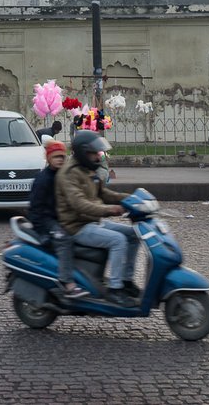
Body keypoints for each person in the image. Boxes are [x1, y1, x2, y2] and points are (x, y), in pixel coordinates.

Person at [56, 130, 139, 306]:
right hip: (77, 226)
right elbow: (79, 204)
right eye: (94, 153)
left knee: (134, 234)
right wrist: (111, 210)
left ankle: (126, 281)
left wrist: (130, 198)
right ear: (83, 152)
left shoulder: (88, 170)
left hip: (92, 221)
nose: (97, 157)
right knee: (118, 240)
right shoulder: (69, 174)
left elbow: (103, 193)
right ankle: (115, 290)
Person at [26, 139, 85, 299]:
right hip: (47, 220)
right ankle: (67, 282)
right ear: (48, 158)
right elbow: (35, 209)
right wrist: (43, 230)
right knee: (64, 239)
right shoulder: (43, 179)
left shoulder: (64, 176)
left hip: (60, 218)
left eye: (62, 156)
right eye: (56, 156)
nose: (59, 159)